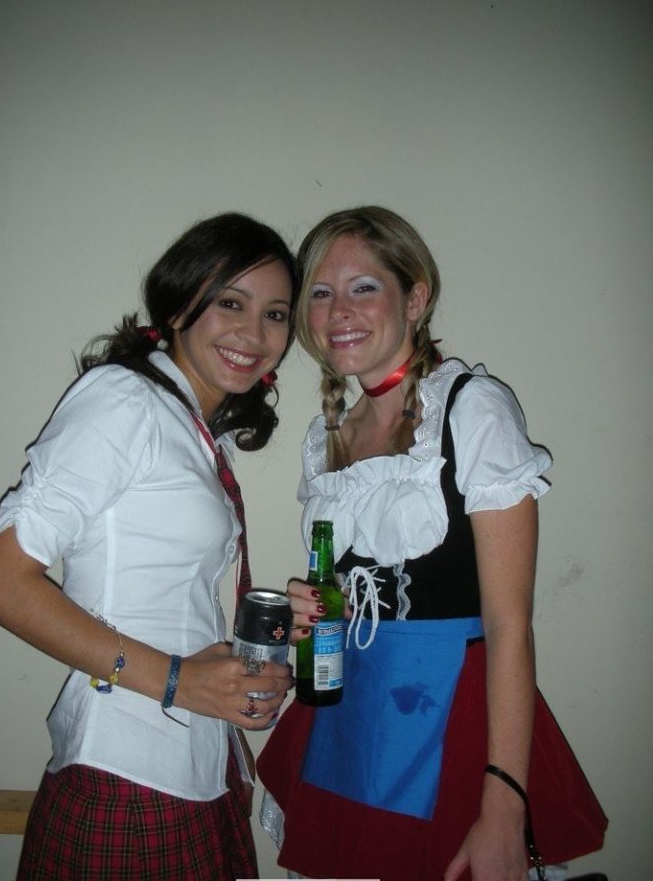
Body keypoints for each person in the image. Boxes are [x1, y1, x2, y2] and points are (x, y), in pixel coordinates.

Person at [257, 206, 607, 881]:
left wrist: (503, 804)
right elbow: (350, 605)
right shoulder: (326, 437)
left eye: (363, 287)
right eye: (321, 293)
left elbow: (509, 625)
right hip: (348, 725)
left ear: (414, 299)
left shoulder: (473, 409)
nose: (338, 311)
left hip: (451, 728)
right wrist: (314, 614)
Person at [0, 212, 301, 881]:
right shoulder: (124, 399)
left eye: (275, 314)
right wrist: (180, 680)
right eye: (231, 303)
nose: (254, 333)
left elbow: (164, 596)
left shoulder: (196, 428)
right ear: (178, 308)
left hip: (195, 763)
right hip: (128, 772)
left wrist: (254, 651)